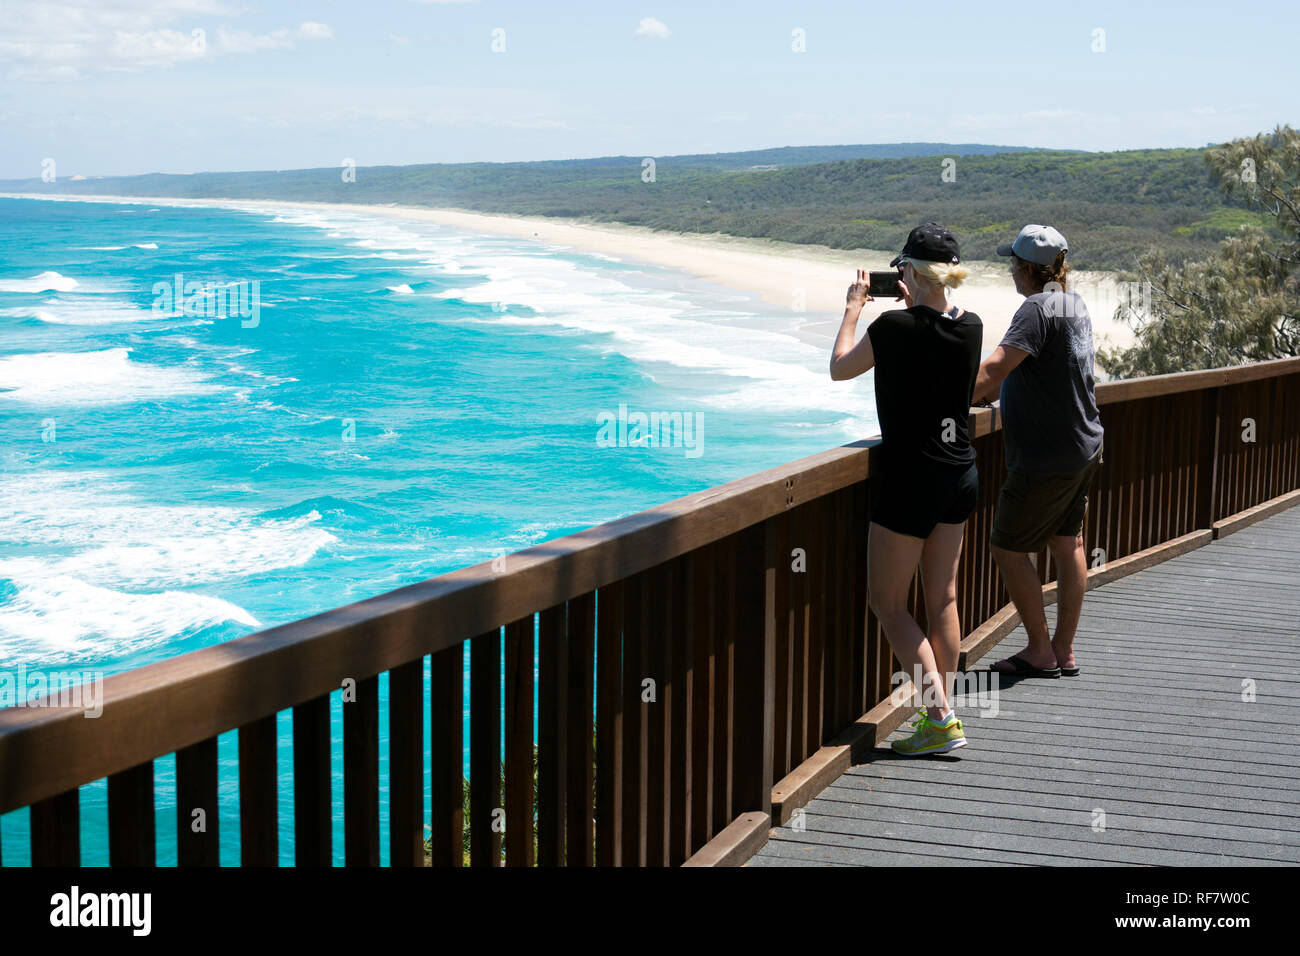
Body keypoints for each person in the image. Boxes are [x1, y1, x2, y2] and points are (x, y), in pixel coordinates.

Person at [830, 222, 983, 755]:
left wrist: (853, 309)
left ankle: (939, 716)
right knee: (942, 598)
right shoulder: (973, 326)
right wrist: (916, 296)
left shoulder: (893, 327)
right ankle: (943, 711)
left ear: (911, 272)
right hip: (959, 473)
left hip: (911, 479)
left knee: (889, 603)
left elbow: (839, 368)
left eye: (903, 269)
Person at [972, 224, 1105, 679]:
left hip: (1046, 456)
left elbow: (993, 369)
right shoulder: (1073, 302)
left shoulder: (1034, 308)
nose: (1010, 269)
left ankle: (1039, 650)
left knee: (1008, 547)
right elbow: (1047, 370)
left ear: (1026, 269)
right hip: (1084, 444)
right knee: (1069, 543)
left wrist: (952, 397)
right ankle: (1063, 650)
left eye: (1012, 263)